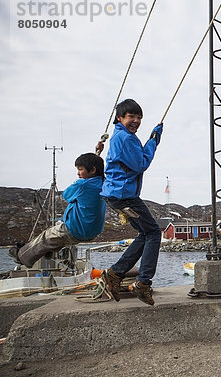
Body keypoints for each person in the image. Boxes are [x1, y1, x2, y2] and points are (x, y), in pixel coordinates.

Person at [96, 98, 163, 306]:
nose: (135, 121)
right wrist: (154, 140)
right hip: (124, 195)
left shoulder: (121, 136)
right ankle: (143, 283)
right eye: (131, 117)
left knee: (146, 233)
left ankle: (115, 274)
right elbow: (140, 164)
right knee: (153, 233)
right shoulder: (125, 139)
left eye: (139, 117)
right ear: (119, 118)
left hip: (116, 195)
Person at [8, 153, 106, 268]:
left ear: (92, 170)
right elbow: (96, 175)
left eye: (80, 169)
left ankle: (22, 256)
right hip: (93, 232)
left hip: (76, 229)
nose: (78, 173)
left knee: (46, 236)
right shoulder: (104, 184)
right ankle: (48, 251)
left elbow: (66, 195)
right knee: (59, 239)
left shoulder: (82, 185)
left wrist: (78, 183)